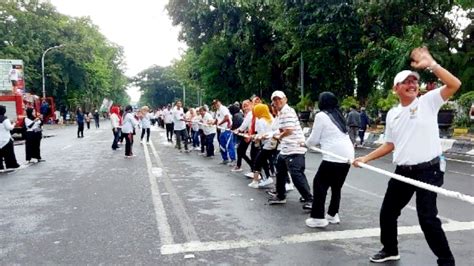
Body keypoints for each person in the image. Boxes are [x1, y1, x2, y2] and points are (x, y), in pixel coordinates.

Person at [353, 47, 461, 265]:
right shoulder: (392, 114)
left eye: (415, 82)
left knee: (427, 218)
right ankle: (390, 249)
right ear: (396, 88)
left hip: (429, 170)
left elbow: (454, 85)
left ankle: (446, 261)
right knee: (388, 212)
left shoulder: (428, 102)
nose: (412, 85)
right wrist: (365, 158)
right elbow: (389, 145)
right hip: (403, 171)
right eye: (407, 82)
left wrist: (432, 64)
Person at [304, 92, 354, 228]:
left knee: (319, 184)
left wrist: (304, 144)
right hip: (348, 155)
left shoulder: (321, 116)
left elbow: (314, 139)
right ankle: (333, 215)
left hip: (334, 155)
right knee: (336, 186)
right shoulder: (339, 115)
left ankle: (318, 217)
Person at [268, 90, 313, 205]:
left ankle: (309, 199)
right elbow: (281, 129)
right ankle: (281, 195)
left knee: (296, 175)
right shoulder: (281, 113)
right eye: (275, 100)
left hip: (295, 148)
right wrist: (276, 135)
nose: (277, 101)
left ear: (285, 99)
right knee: (281, 172)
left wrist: (279, 137)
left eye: (279, 99)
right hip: (286, 149)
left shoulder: (287, 111)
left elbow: (289, 130)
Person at [248, 103, 275, 189]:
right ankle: (267, 177)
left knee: (258, 161)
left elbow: (261, 135)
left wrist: (255, 138)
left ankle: (256, 181)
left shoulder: (260, 121)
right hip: (274, 143)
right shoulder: (271, 117)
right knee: (265, 161)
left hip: (266, 144)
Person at [232, 100, 253, 173]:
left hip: (251, 135)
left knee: (243, 151)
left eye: (247, 105)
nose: (245, 107)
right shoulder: (247, 114)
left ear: (251, 105)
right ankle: (250, 166)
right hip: (248, 134)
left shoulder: (250, 113)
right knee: (240, 150)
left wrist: (238, 130)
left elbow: (244, 125)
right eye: (244, 106)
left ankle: (253, 168)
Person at [213, 99, 236, 165]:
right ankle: (225, 159)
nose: (216, 104)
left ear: (220, 102)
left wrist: (219, 123)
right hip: (222, 129)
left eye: (217, 103)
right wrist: (213, 123)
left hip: (227, 129)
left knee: (229, 144)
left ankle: (233, 159)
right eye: (214, 104)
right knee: (222, 144)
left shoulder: (223, 108)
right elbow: (217, 120)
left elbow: (227, 117)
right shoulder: (217, 110)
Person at [0, 105, 20, 171]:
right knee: (9, 154)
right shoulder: (5, 118)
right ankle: (11, 164)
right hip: (6, 139)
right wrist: (14, 123)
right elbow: (9, 128)